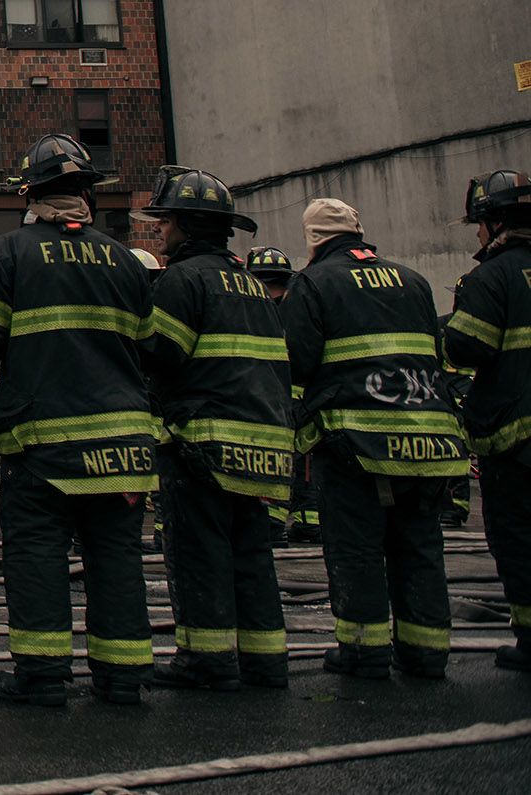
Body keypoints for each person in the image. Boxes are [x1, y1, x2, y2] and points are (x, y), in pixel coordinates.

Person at [0, 132, 158, 707]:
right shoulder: (124, 260)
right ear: (88, 194)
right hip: (124, 444)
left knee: (38, 552)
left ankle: (42, 677)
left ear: (31, 193)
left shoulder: (8, 253)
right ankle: (122, 677)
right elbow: (149, 345)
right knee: (116, 556)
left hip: (46, 443)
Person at [284, 197, 464, 681]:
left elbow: (296, 361)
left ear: (313, 239)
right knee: (420, 546)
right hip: (427, 440)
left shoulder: (313, 282)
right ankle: (426, 653)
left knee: (356, 547)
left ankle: (363, 653)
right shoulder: (413, 280)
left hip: (354, 446)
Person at [137, 168, 291, 693]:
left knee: (200, 553)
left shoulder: (183, 280)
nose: (160, 231)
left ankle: (207, 660)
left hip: (201, 443)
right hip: (262, 442)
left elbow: (162, 355)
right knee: (251, 554)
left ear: (184, 225)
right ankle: (266, 660)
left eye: (165, 222)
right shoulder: (250, 282)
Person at [440, 170, 531, 671]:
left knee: (519, 540)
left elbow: (466, 347)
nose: (477, 234)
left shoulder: (490, 276)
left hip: (516, 442)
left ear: (494, 223)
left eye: (479, 224)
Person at [246, 246, 319, 544]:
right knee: (304, 464)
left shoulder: (253, 312)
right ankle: (308, 520)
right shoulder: (299, 309)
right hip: (305, 402)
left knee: (273, 462)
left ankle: (273, 523)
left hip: (271, 402)